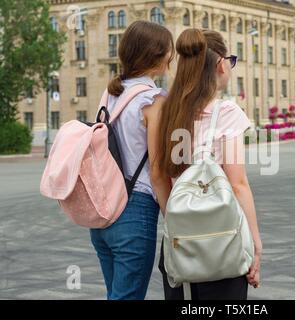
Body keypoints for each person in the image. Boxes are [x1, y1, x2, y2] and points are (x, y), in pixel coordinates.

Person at [145, 28, 263, 300]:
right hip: (221, 244)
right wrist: (255, 243)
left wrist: (179, 221)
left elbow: (159, 176)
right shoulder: (227, 112)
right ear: (221, 64)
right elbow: (238, 184)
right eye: (230, 60)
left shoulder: (164, 110)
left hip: (178, 246)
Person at [89, 21, 174, 300]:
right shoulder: (153, 100)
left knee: (117, 295)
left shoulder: (109, 95)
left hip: (102, 213)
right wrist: (174, 220)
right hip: (134, 212)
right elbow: (159, 170)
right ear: (158, 56)